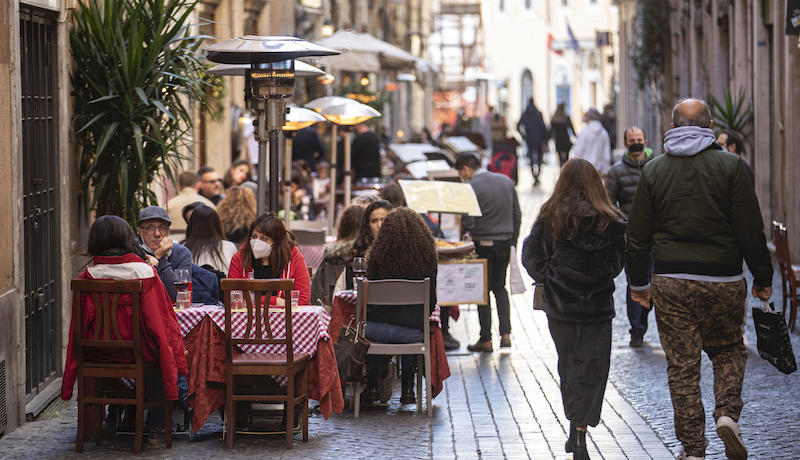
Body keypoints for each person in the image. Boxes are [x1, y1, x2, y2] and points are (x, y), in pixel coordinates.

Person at [626, 98, 773, 460]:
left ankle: (693, 450)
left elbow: (637, 235)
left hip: (671, 281)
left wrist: (638, 283)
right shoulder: (731, 167)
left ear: (672, 128)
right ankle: (727, 414)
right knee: (727, 350)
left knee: (682, 365)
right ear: (710, 128)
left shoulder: (653, 170)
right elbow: (751, 229)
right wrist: (763, 276)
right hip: (723, 279)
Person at [521, 158, 626, 460]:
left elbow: (531, 257)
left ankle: (575, 425)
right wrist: (600, 275)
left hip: (561, 306)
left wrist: (550, 277)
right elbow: (617, 264)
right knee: (592, 369)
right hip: (597, 306)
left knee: (569, 365)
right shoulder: (611, 221)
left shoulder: (551, 216)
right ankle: (579, 430)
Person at [60, 215, 188, 442]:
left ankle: (114, 418)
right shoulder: (146, 273)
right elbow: (160, 324)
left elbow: (78, 328)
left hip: (99, 355)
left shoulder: (87, 277)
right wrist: (174, 354)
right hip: (138, 353)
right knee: (158, 355)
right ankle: (157, 427)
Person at [362, 208, 438, 405]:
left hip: (375, 333)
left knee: (370, 324)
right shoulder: (428, 256)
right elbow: (430, 305)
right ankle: (408, 389)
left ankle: (371, 386)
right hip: (413, 334)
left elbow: (367, 305)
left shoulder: (377, 256)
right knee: (412, 323)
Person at [455, 153, 521, 352]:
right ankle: (506, 335)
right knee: (500, 287)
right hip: (504, 242)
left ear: (466, 169)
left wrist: (468, 234)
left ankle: (486, 339)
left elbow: (467, 220)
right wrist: (513, 240)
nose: (462, 177)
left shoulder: (471, 187)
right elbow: (517, 214)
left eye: (461, 173)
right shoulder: (506, 181)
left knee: (482, 291)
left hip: (482, 242)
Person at [604, 126, 655, 347]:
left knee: (653, 280)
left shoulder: (656, 167)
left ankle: (643, 318)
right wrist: (622, 224)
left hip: (656, 235)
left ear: (645, 141)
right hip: (630, 237)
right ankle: (637, 328)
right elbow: (608, 203)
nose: (636, 142)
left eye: (640, 139)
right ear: (625, 144)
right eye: (632, 139)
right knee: (635, 281)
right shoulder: (616, 172)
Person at [228, 213, 311, 306]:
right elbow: (233, 299)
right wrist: (274, 301)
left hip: (286, 319)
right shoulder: (239, 259)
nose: (256, 242)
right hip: (247, 319)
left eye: (264, 239)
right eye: (254, 237)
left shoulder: (294, 258)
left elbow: (303, 299)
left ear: (277, 242)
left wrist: (254, 301)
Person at [310, 205, 364, 308]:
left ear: (342, 227)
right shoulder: (365, 255)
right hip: (364, 314)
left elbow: (315, 295)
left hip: (333, 314)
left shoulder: (330, 256)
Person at [137, 206, 192, 303]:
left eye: (162, 227)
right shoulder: (133, 251)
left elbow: (175, 296)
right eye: (150, 227)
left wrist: (161, 258)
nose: (157, 234)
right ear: (140, 232)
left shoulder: (181, 253)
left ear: (168, 231)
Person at [181, 204, 238, 275]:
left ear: (191, 225)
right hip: (224, 285)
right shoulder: (230, 247)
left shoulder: (183, 248)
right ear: (217, 224)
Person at [516, 98, 549, 185]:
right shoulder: (538, 113)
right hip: (539, 139)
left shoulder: (525, 114)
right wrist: (544, 138)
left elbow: (518, 125)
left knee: (531, 157)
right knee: (539, 157)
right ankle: (537, 175)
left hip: (529, 139)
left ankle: (534, 176)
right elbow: (543, 127)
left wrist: (524, 136)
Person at [572, 108, 612, 176]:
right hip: (598, 170)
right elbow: (606, 154)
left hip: (584, 169)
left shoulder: (584, 132)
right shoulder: (604, 133)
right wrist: (605, 170)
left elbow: (578, 152)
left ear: (589, 117)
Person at [549, 103, 575, 167]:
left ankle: (561, 170)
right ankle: (566, 170)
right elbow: (571, 128)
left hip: (558, 140)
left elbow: (551, 131)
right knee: (566, 157)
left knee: (560, 158)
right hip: (565, 140)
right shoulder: (566, 118)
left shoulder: (554, 119)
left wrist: (549, 138)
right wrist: (576, 136)